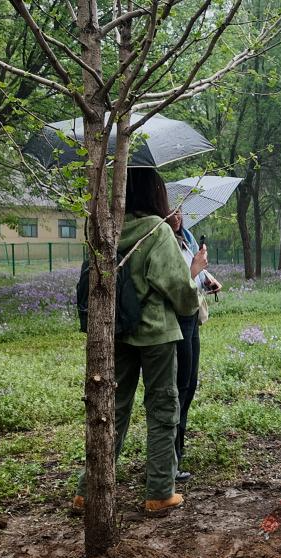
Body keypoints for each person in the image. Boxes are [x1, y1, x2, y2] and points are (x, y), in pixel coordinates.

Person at [71, 168, 201, 517]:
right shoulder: (156, 229)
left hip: (114, 330)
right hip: (156, 335)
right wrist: (195, 291)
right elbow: (181, 292)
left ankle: (88, 491)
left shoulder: (102, 230)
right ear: (153, 193)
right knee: (163, 408)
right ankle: (159, 492)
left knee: (112, 409)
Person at [166, 211, 222, 483]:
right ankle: (170, 457)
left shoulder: (185, 239)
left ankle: (177, 451)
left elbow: (193, 280)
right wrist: (195, 269)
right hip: (176, 320)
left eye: (179, 210)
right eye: (170, 210)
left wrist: (207, 279)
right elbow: (173, 285)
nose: (176, 215)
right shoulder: (162, 241)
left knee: (189, 384)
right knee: (179, 386)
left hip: (192, 317)